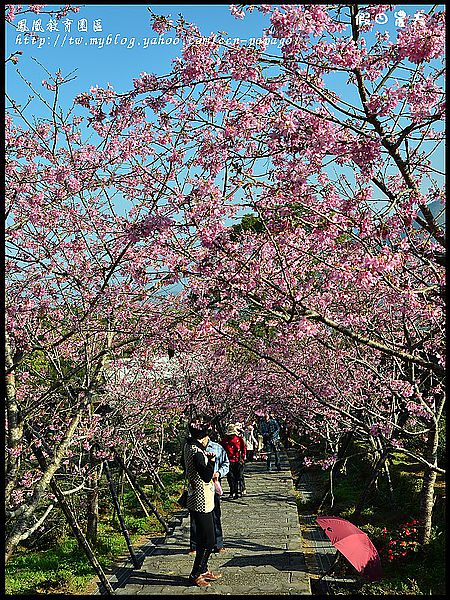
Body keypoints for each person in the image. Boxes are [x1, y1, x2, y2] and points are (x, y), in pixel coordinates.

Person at [183, 421, 223, 587]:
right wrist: (212, 461)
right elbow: (206, 476)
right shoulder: (197, 451)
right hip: (201, 500)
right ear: (204, 436)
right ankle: (195, 573)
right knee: (208, 539)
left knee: (204, 537)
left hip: (197, 497)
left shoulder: (187, 445)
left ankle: (203, 568)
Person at [188, 427, 229, 555]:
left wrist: (219, 473)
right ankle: (194, 545)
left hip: (213, 485)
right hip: (199, 487)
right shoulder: (193, 449)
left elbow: (226, 463)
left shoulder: (217, 447)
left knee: (215, 515)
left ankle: (218, 543)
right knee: (196, 518)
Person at [220, 424, 246, 499]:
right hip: (229, 460)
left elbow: (243, 448)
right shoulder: (224, 440)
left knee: (239, 476)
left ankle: (239, 490)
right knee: (230, 477)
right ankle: (232, 491)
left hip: (238, 460)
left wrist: (243, 457)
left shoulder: (239, 439)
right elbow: (221, 448)